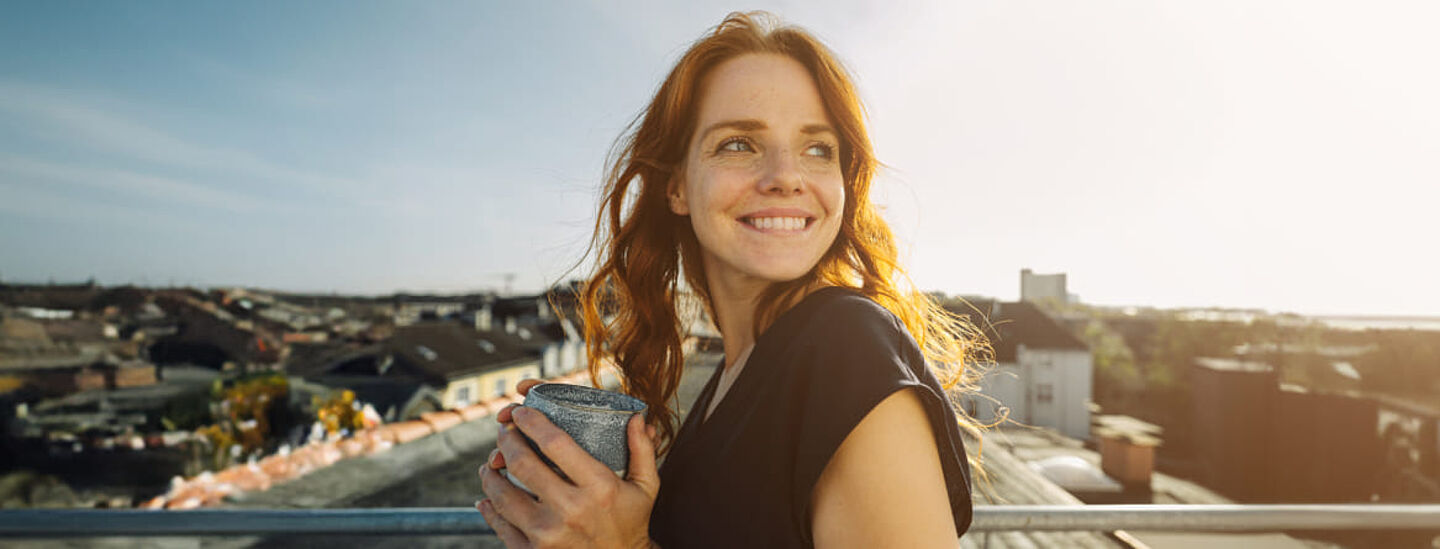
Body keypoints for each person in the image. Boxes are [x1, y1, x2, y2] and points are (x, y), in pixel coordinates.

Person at [477, 11, 987, 548]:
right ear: (675, 187)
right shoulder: (736, 373)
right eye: (739, 143)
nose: (786, 177)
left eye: (819, 149)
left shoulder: (846, 350)